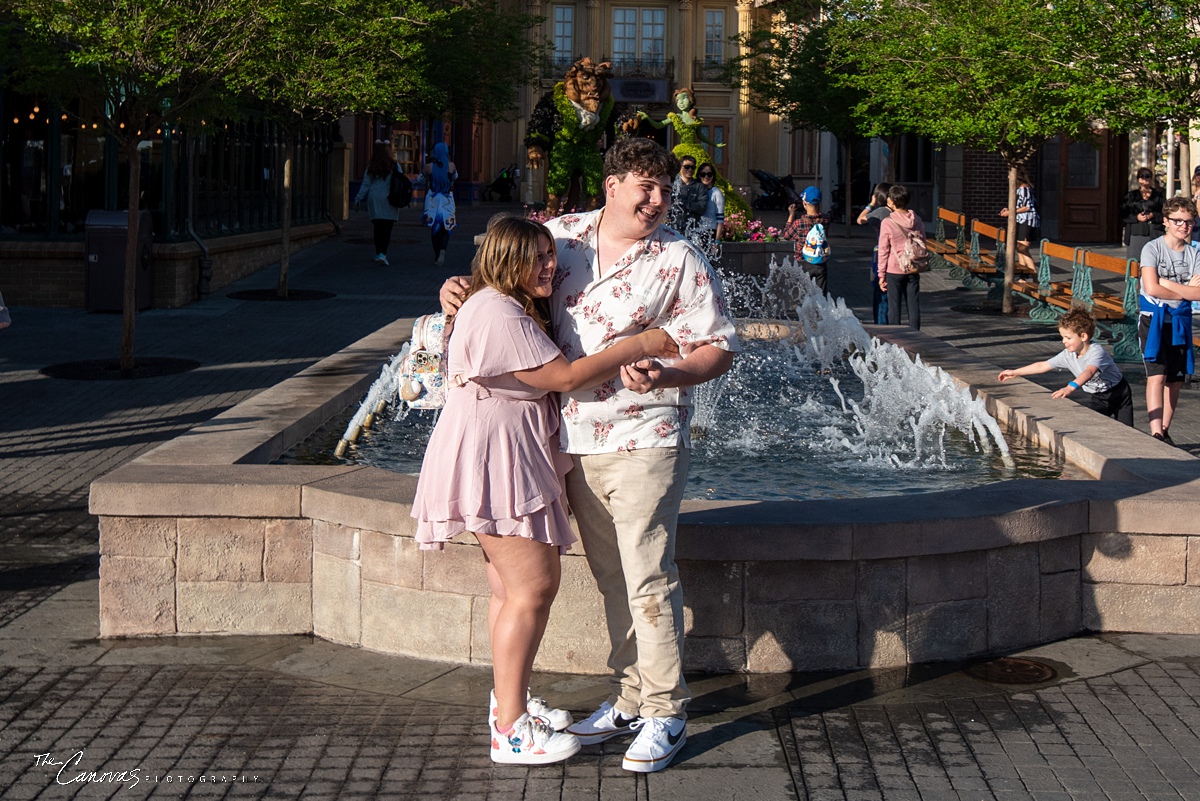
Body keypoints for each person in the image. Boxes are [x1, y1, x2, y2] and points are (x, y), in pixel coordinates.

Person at [441, 137, 739, 773]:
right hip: (569, 441)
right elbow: (500, 280)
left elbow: (717, 348)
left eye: (665, 190)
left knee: (650, 576)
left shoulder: (680, 259)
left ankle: (665, 711)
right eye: (646, 187)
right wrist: (455, 287)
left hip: (645, 437)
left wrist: (668, 374)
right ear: (611, 184)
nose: (658, 201)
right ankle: (630, 697)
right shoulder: (563, 240)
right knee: (613, 578)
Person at [413, 216, 679, 765]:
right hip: (497, 457)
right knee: (533, 587)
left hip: (498, 452)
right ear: (507, 261)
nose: (550, 266)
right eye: (536, 258)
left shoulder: (495, 304)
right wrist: (642, 342)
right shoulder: (497, 309)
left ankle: (507, 707)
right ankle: (510, 730)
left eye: (550, 255)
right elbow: (564, 377)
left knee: (510, 592)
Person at [997, 307, 1133, 427]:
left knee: (1128, 432)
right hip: (1098, 397)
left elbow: (1089, 371)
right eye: (1063, 337)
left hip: (1119, 393)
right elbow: (1043, 365)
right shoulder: (1068, 355)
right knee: (1092, 425)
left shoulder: (1097, 352)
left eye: (1068, 338)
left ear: (1083, 336)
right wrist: (1016, 372)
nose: (1064, 342)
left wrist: (1070, 387)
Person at [1137, 196, 1200, 446]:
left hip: (1180, 321)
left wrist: (1167, 284)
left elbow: (1198, 294)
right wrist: (1184, 289)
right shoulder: (1152, 249)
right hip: (1154, 320)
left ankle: (1165, 429)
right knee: (1157, 376)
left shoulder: (1195, 253)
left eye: (1189, 222)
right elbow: (1151, 289)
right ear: (1166, 221)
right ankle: (1155, 432)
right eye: (1178, 221)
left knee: (1175, 379)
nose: (1184, 226)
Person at [637, 87, 751, 219]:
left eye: (684, 98)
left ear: (691, 101)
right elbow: (659, 125)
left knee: (705, 174)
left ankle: (719, 212)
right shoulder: (675, 117)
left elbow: (701, 136)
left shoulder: (695, 120)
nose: (681, 102)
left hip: (695, 150)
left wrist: (715, 144)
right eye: (678, 100)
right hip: (681, 151)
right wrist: (647, 118)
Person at [877, 184, 927, 329]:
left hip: (894, 269)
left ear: (892, 201)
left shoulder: (888, 222)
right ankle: (916, 336)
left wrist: (881, 275)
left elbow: (883, 250)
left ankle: (897, 340)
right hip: (913, 266)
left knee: (894, 307)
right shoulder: (917, 219)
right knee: (913, 305)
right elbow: (922, 241)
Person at [352, 143, 402, 265]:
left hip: (374, 199)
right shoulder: (395, 165)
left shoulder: (372, 166)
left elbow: (365, 184)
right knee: (387, 228)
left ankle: (378, 252)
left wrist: (358, 198)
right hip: (390, 199)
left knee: (378, 227)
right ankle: (383, 254)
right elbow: (401, 181)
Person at [783, 185, 832, 292]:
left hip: (803, 264)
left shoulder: (799, 223)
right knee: (820, 299)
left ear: (805, 203)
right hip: (820, 263)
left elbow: (787, 235)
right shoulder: (826, 221)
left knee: (803, 298)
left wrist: (791, 215)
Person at [857, 182, 892, 324]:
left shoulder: (881, 212)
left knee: (880, 293)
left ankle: (880, 325)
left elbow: (860, 220)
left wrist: (870, 204)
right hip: (895, 256)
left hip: (880, 255)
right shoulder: (898, 212)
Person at [421, 142, 457, 265]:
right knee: (446, 228)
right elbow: (455, 177)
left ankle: (437, 256)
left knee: (434, 229)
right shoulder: (451, 166)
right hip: (447, 200)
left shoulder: (428, 167)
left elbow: (420, 179)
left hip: (433, 200)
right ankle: (443, 250)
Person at [999, 168, 1040, 273]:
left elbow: (1027, 207)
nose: (1008, 177)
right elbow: (1018, 205)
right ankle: (1023, 276)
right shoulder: (1018, 189)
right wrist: (1008, 210)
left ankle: (1034, 275)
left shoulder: (1025, 189)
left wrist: (1011, 212)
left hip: (1027, 221)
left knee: (1023, 249)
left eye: (1010, 175)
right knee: (1019, 248)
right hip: (1020, 220)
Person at [1121, 167, 1165, 259]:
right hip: (1136, 232)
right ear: (1138, 179)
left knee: (1154, 260)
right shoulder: (1131, 195)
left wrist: (1152, 215)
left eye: (1147, 176)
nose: (1145, 178)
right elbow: (1124, 214)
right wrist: (1137, 217)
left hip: (1154, 233)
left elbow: (1165, 213)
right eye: (1142, 176)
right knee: (1135, 263)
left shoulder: (1159, 195)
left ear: (1151, 178)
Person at [667, 154, 707, 232]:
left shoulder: (700, 186)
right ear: (680, 167)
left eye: (693, 167)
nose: (690, 170)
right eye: (687, 167)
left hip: (693, 227)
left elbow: (702, 207)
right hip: (675, 226)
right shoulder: (673, 185)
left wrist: (685, 204)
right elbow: (669, 203)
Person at [696, 163, 725, 241]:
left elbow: (720, 219)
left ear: (713, 176)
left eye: (709, 174)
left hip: (710, 232)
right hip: (696, 231)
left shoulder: (716, 193)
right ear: (699, 175)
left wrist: (717, 241)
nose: (706, 177)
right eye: (703, 174)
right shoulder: (695, 191)